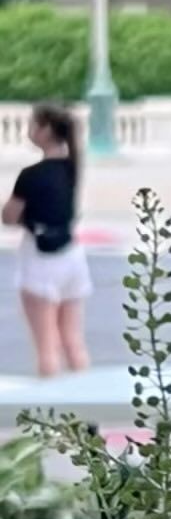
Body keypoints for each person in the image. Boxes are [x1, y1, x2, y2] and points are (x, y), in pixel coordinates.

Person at [2, 103, 92, 378]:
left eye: (33, 124)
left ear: (46, 130)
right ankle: (86, 400)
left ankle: (52, 403)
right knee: (73, 342)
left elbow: (9, 216)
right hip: (72, 255)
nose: (29, 129)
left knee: (47, 346)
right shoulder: (71, 167)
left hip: (40, 259)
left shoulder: (30, 175)